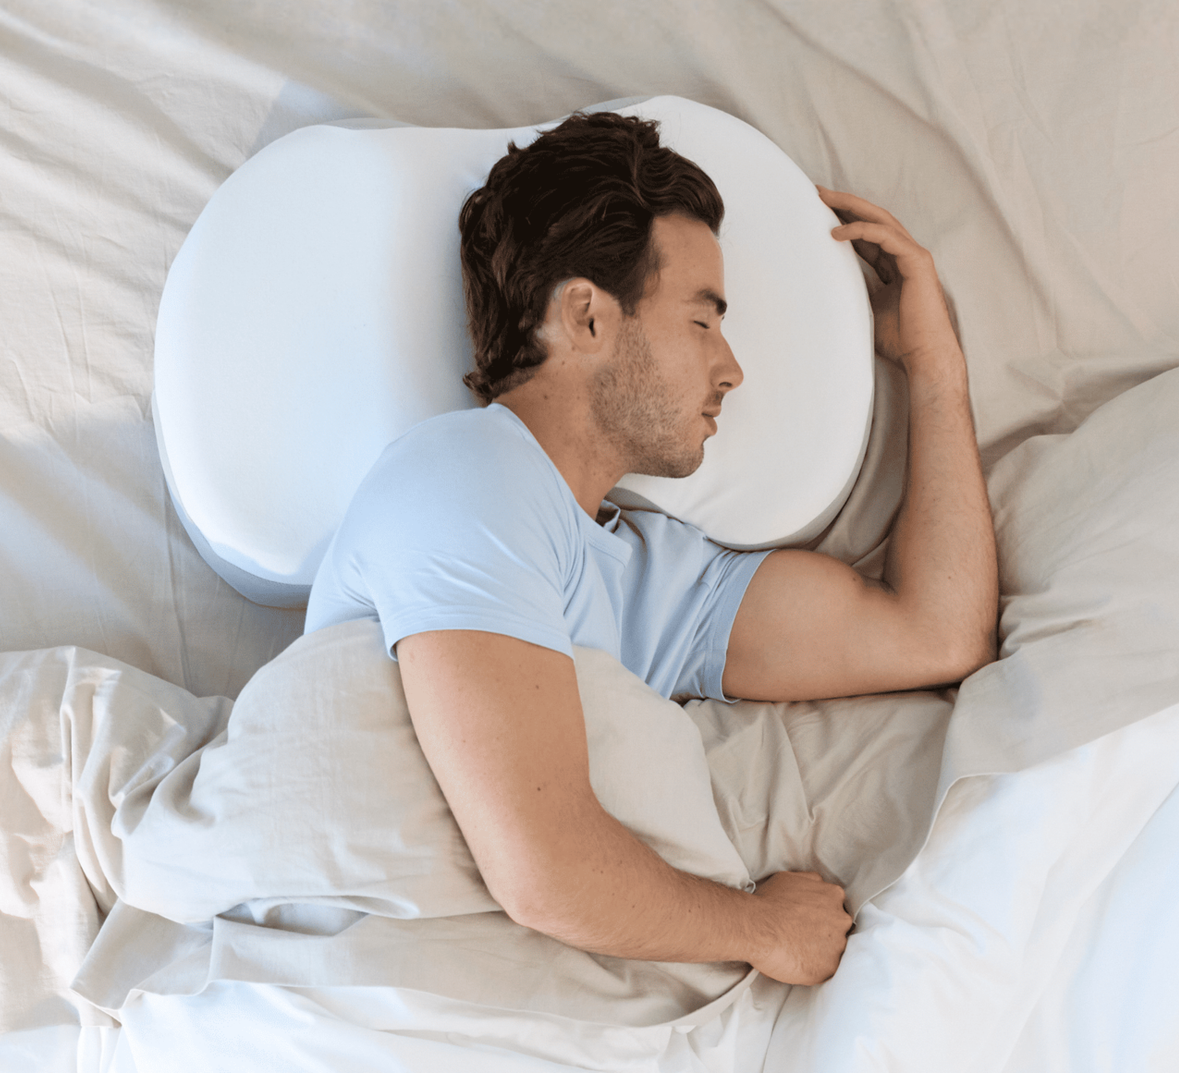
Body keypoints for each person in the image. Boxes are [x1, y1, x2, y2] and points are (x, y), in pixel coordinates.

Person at [304, 111, 997, 987]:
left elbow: (936, 632)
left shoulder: (653, 578)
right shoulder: (465, 478)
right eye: (703, 321)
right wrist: (763, 929)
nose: (732, 366)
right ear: (588, 317)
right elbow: (541, 867)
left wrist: (933, 364)